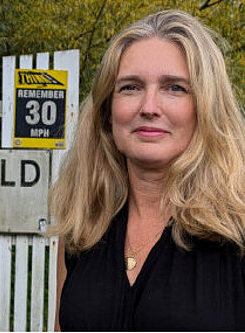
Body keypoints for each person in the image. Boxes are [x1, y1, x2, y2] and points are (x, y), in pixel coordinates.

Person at [50, 10, 244, 331]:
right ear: (106, 112)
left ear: (207, 108)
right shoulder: (83, 228)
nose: (149, 107)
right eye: (130, 87)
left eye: (175, 88)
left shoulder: (238, 229)